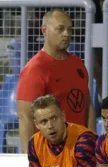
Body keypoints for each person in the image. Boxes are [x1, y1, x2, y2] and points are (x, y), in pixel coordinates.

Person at [16, 9, 92, 153]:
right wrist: (29, 159)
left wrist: (92, 142)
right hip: (51, 154)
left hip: (79, 151)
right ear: (44, 30)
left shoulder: (78, 64)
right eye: (60, 29)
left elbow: (87, 106)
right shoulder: (35, 69)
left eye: (70, 29)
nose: (66, 34)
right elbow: (25, 117)